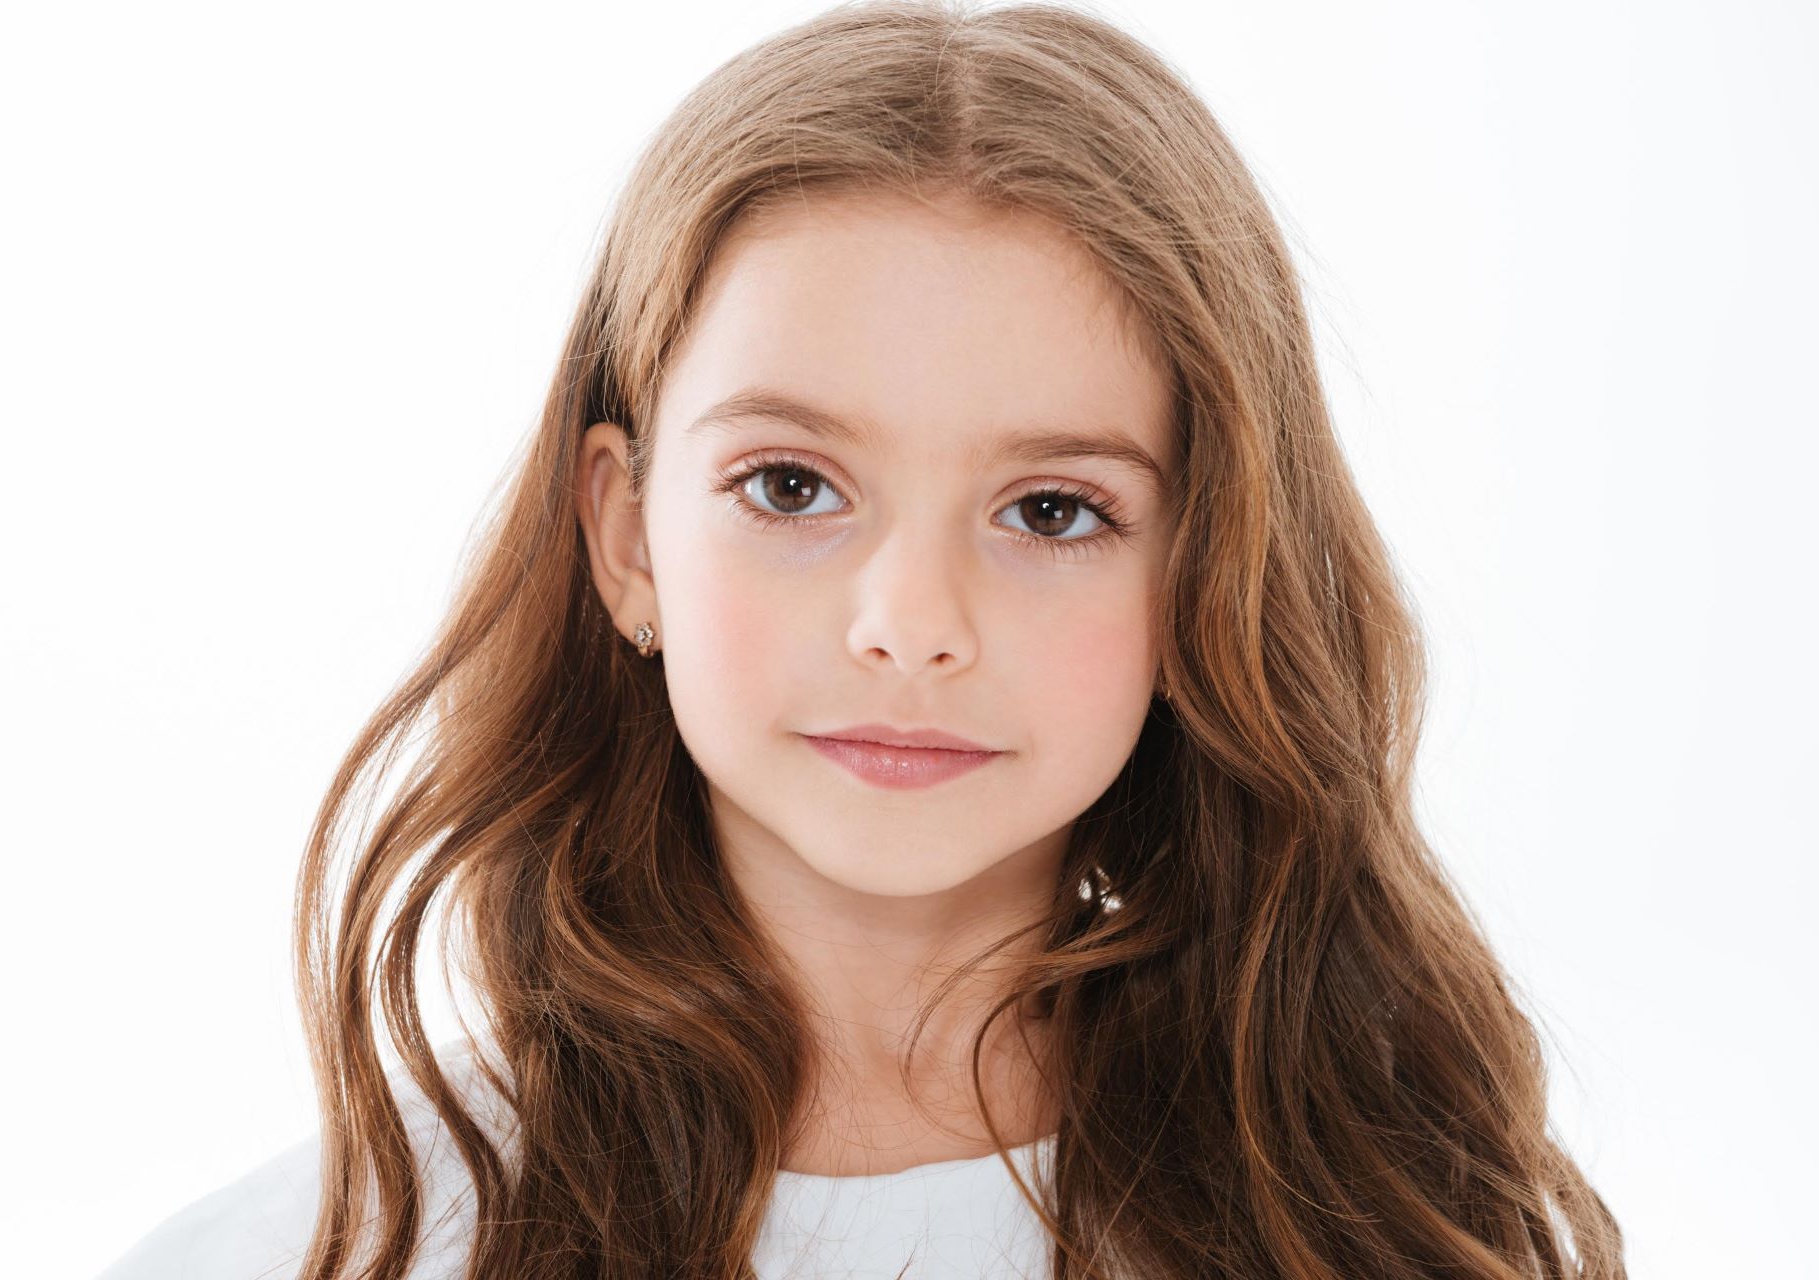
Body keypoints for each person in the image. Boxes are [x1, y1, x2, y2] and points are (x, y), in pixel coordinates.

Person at [97, 1, 1625, 1277]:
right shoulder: (318, 1253)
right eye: (792, 486)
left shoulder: (1404, 1228)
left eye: (1050, 511)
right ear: (627, 535)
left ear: (1206, 563)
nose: (912, 627)